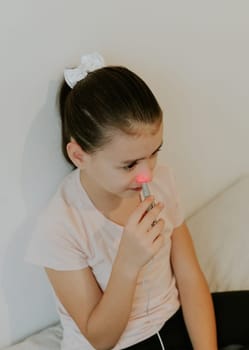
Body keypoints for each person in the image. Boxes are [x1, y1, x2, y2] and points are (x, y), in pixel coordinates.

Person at [25, 53, 249, 350]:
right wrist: (128, 263)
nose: (146, 174)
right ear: (79, 156)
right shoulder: (60, 225)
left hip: (174, 317)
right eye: (129, 165)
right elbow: (100, 338)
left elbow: (189, 276)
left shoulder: (161, 181)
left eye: (155, 152)